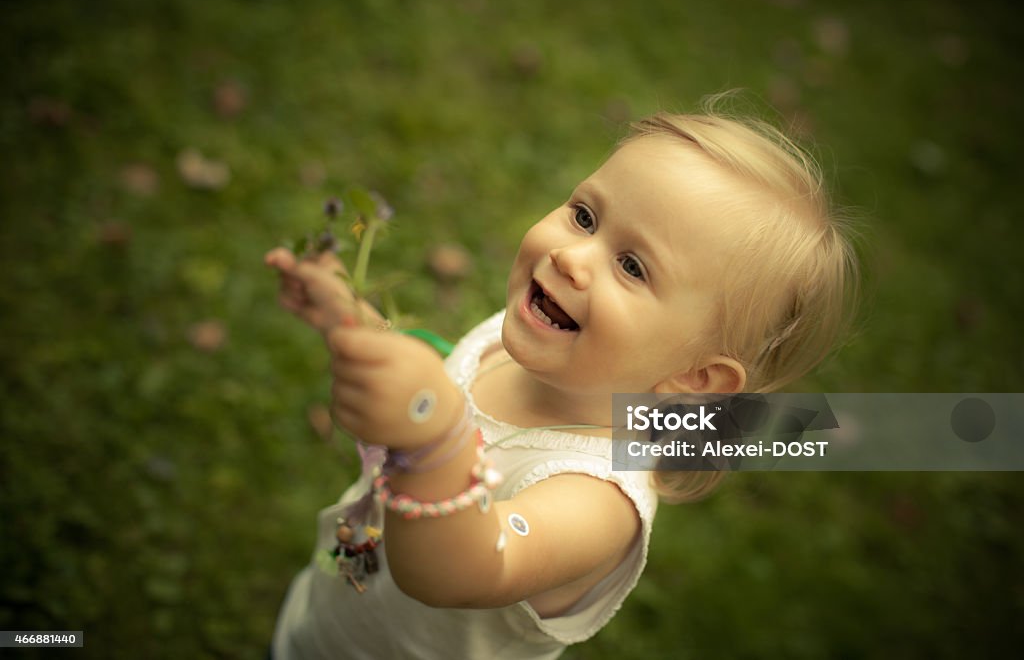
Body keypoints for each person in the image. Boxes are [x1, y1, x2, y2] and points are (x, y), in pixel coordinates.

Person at [264, 100, 858, 659]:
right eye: (584, 216)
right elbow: (443, 376)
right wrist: (357, 322)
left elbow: (459, 573)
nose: (573, 257)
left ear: (695, 376)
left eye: (631, 266)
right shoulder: (520, 339)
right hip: (338, 608)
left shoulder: (597, 499)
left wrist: (433, 436)